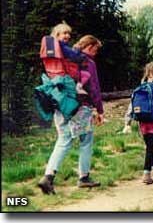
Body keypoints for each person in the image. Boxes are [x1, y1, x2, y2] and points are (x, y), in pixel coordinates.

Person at [37, 35, 104, 194]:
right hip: (81, 107)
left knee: (63, 140)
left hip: (61, 103)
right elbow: (94, 88)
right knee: (86, 140)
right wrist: (99, 109)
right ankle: (84, 177)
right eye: (95, 49)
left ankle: (48, 176)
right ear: (89, 46)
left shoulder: (64, 58)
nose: (95, 52)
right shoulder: (87, 62)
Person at [123, 62, 153, 184]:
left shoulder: (140, 88)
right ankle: (146, 173)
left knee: (150, 146)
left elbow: (131, 106)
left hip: (142, 122)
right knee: (151, 147)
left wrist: (127, 122)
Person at [51, 22, 91, 95]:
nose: (68, 36)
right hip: (68, 72)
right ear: (57, 35)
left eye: (69, 34)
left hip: (61, 71)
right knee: (86, 74)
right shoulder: (62, 45)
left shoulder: (56, 45)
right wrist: (77, 49)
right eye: (65, 33)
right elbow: (73, 56)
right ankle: (78, 87)